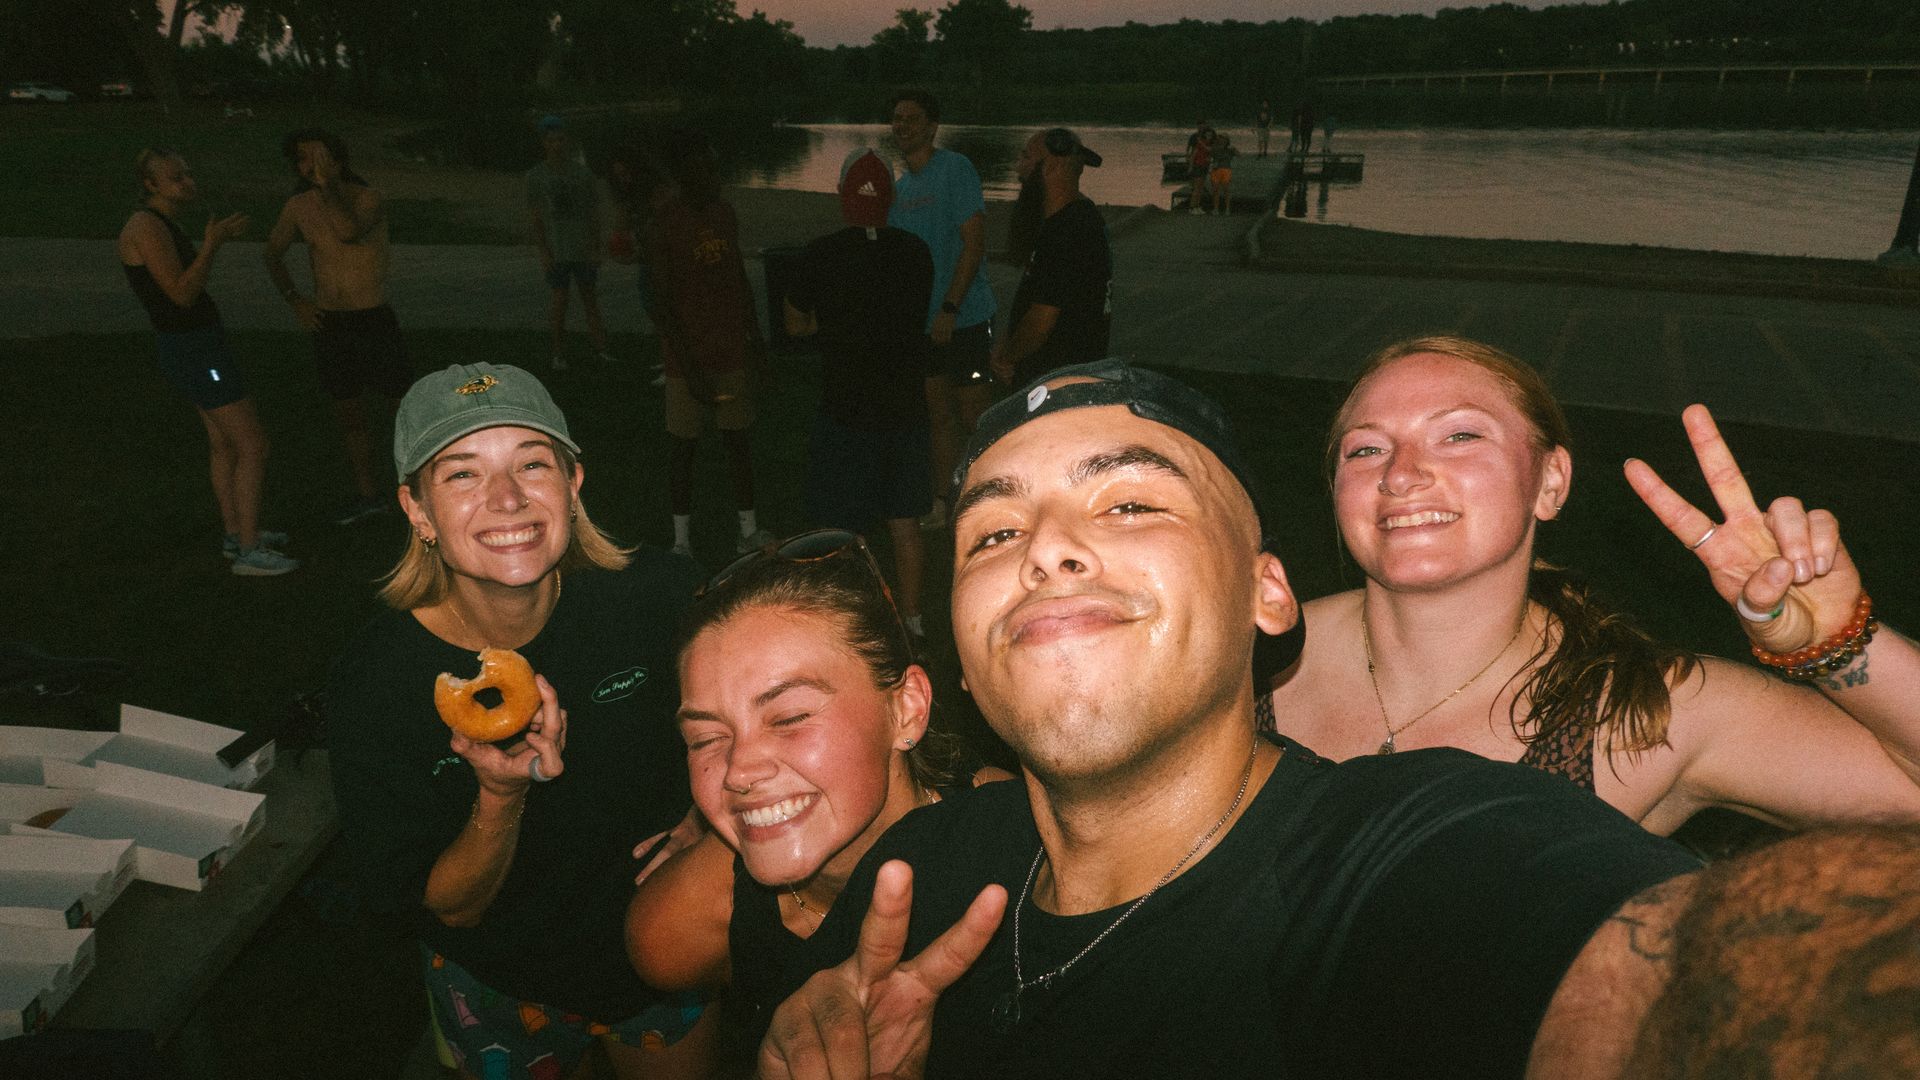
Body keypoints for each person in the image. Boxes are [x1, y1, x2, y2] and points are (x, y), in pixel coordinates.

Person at [754, 359, 1920, 1080]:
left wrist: (1838, 640)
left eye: (1128, 501)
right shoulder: (927, 879)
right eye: (994, 533)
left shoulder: (1547, 775)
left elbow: (1659, 978)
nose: (1049, 547)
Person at [1263, 335, 1920, 835]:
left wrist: (1844, 640)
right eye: (1366, 449)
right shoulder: (1239, 658)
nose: (1402, 475)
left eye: (1460, 434)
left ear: (1551, 482)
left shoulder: (1648, 713)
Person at [326, 362, 712, 1080]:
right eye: (463, 474)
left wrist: (711, 818)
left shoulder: (662, 599)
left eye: (532, 464)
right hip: (499, 984)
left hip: (659, 953)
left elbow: (750, 727)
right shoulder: (375, 687)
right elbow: (447, 910)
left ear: (572, 484)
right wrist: (500, 796)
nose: (507, 499)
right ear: (416, 510)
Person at [625, 529, 977, 1068]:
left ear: (906, 708)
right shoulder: (679, 931)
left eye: (789, 718)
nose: (739, 771)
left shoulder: (1027, 852)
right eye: (707, 739)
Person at [119, 148, 296, 577]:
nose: (187, 182)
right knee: (252, 443)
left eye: (188, 173)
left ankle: (237, 535)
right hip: (194, 350)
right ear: (150, 184)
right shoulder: (146, 226)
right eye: (175, 177)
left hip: (196, 346)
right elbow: (180, 294)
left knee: (223, 443)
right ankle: (250, 552)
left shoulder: (163, 223)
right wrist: (213, 245)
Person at [781, 150, 936, 638]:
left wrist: (832, 321)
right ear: (889, 198)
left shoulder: (821, 252)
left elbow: (794, 322)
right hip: (904, 409)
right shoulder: (917, 252)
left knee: (846, 525)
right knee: (905, 521)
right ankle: (912, 621)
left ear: (844, 195)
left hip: (846, 409)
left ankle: (854, 620)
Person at [264, 127, 413, 527]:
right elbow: (272, 253)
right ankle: (367, 495)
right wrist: (296, 300)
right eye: (305, 159)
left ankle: (416, 490)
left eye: (321, 158)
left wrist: (330, 190)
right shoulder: (298, 206)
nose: (313, 167)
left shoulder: (367, 198)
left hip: (374, 318)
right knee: (350, 413)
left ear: (339, 161)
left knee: (401, 409)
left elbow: (347, 231)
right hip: (332, 322)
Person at [648, 128, 773, 559]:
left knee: (738, 441)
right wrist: (690, 368)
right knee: (684, 448)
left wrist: (755, 338)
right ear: (687, 174)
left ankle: (748, 531)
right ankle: (680, 542)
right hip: (687, 359)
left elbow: (738, 276)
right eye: (707, 168)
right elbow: (663, 305)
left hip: (729, 350)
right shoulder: (667, 222)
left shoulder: (724, 213)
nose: (717, 176)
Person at [886, 89, 996, 532]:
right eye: (896, 118)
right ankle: (946, 499)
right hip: (924, 328)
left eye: (912, 118)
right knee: (938, 415)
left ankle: (993, 496)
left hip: (966, 317)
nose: (902, 126)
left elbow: (974, 242)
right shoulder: (900, 190)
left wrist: (950, 306)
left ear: (932, 126)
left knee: (975, 414)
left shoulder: (956, 170)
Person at [991, 130, 1112, 389]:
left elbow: (1042, 319)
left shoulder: (1069, 229)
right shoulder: (1062, 222)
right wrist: (1009, 335)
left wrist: (1006, 357)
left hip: (1057, 381)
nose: (1018, 167)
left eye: (1026, 157)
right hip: (1055, 376)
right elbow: (1036, 295)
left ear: (1053, 165)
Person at [526, 115, 617, 373]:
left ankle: (601, 349)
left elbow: (592, 213)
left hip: (582, 248)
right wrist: (543, 251)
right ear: (544, 143)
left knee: (590, 299)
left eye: (560, 139)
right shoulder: (535, 176)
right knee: (559, 301)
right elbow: (536, 218)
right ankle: (558, 353)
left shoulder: (582, 174)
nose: (557, 145)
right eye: (551, 140)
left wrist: (595, 247)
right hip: (557, 249)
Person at [1186, 123, 1212, 215]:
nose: (1209, 136)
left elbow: (1210, 152)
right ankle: (1192, 207)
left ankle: (1197, 206)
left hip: (1205, 167)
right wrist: (1190, 167)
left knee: (1200, 188)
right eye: (1207, 134)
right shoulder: (1200, 143)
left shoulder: (1209, 144)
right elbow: (1193, 156)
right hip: (1198, 166)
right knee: (1197, 188)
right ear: (1205, 135)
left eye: (1210, 134)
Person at [1208, 131, 1236, 215]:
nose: (1222, 140)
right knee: (1215, 190)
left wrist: (1234, 149)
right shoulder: (1215, 147)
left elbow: (1239, 154)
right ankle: (1216, 208)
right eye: (1220, 138)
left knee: (1226, 189)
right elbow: (1209, 156)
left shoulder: (1230, 148)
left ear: (1227, 140)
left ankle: (1227, 208)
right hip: (1216, 169)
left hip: (1226, 169)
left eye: (1223, 138)